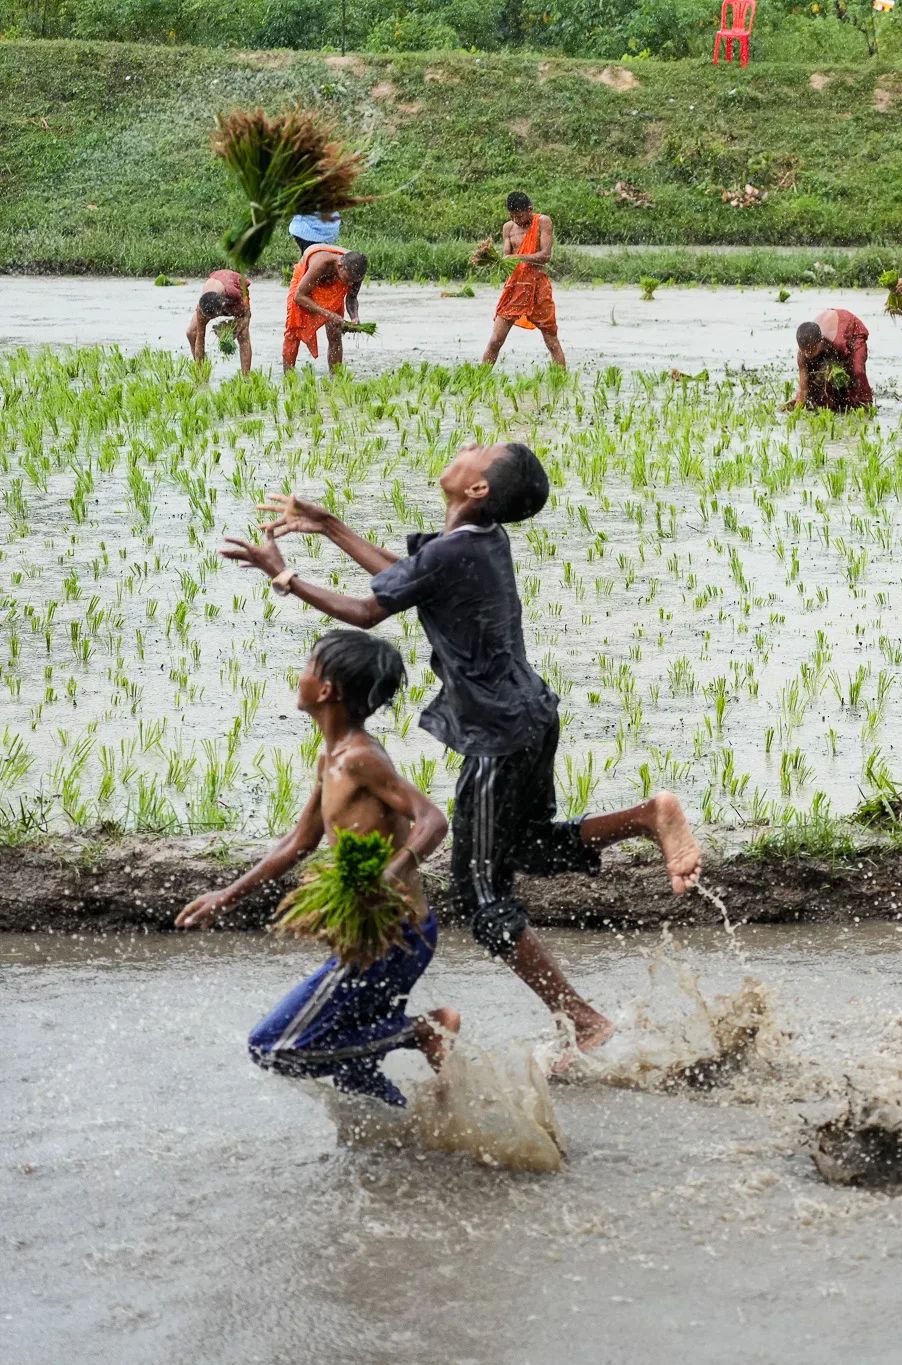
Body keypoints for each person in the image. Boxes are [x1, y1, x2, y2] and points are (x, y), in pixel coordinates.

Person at [216, 442, 705, 1061]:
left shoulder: (456, 549)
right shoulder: (478, 543)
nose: (466, 449)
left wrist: (285, 578)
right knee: (523, 846)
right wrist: (331, 526)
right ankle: (643, 817)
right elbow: (407, 579)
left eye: (479, 452)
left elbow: (369, 610)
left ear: (477, 490)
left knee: (482, 898)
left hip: (498, 736)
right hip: (529, 715)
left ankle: (580, 1018)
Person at [176, 629, 459, 1109]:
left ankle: (424, 1030)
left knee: (273, 1047)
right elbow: (300, 841)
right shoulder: (330, 755)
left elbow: (432, 819)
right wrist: (226, 895)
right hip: (383, 934)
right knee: (355, 1076)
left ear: (326, 690)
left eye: (309, 666)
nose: (301, 675)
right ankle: (407, 1139)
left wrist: (385, 878)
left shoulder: (360, 758)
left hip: (393, 937)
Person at [483, 192, 566, 369]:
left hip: (538, 286)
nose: (517, 220)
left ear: (530, 210)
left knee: (551, 339)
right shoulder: (508, 228)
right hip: (515, 287)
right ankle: (479, 377)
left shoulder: (543, 222)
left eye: (520, 216)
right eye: (512, 216)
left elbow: (545, 255)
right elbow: (506, 257)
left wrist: (518, 257)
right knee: (496, 340)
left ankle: (562, 379)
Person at [283, 243, 368, 373]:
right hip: (306, 284)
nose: (351, 284)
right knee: (293, 331)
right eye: (349, 280)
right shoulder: (321, 263)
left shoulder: (356, 271)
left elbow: (351, 298)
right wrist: (329, 315)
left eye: (354, 281)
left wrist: (354, 317)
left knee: (335, 332)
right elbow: (299, 296)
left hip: (333, 285)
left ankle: (336, 378)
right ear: (340, 267)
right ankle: (288, 378)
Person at [793, 310, 874, 411]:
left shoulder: (838, 343)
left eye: (812, 350)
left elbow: (845, 365)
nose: (807, 354)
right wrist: (798, 409)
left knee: (856, 371)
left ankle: (866, 403)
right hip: (826, 328)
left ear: (820, 342)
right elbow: (803, 387)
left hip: (851, 331)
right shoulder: (803, 353)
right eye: (804, 351)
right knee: (815, 384)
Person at [188, 267, 252, 376]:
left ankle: (246, 377)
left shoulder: (235, 297)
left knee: (243, 334)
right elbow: (200, 338)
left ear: (222, 308)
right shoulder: (203, 306)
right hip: (215, 289)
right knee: (191, 333)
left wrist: (233, 333)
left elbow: (247, 315)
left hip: (235, 286)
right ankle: (201, 371)